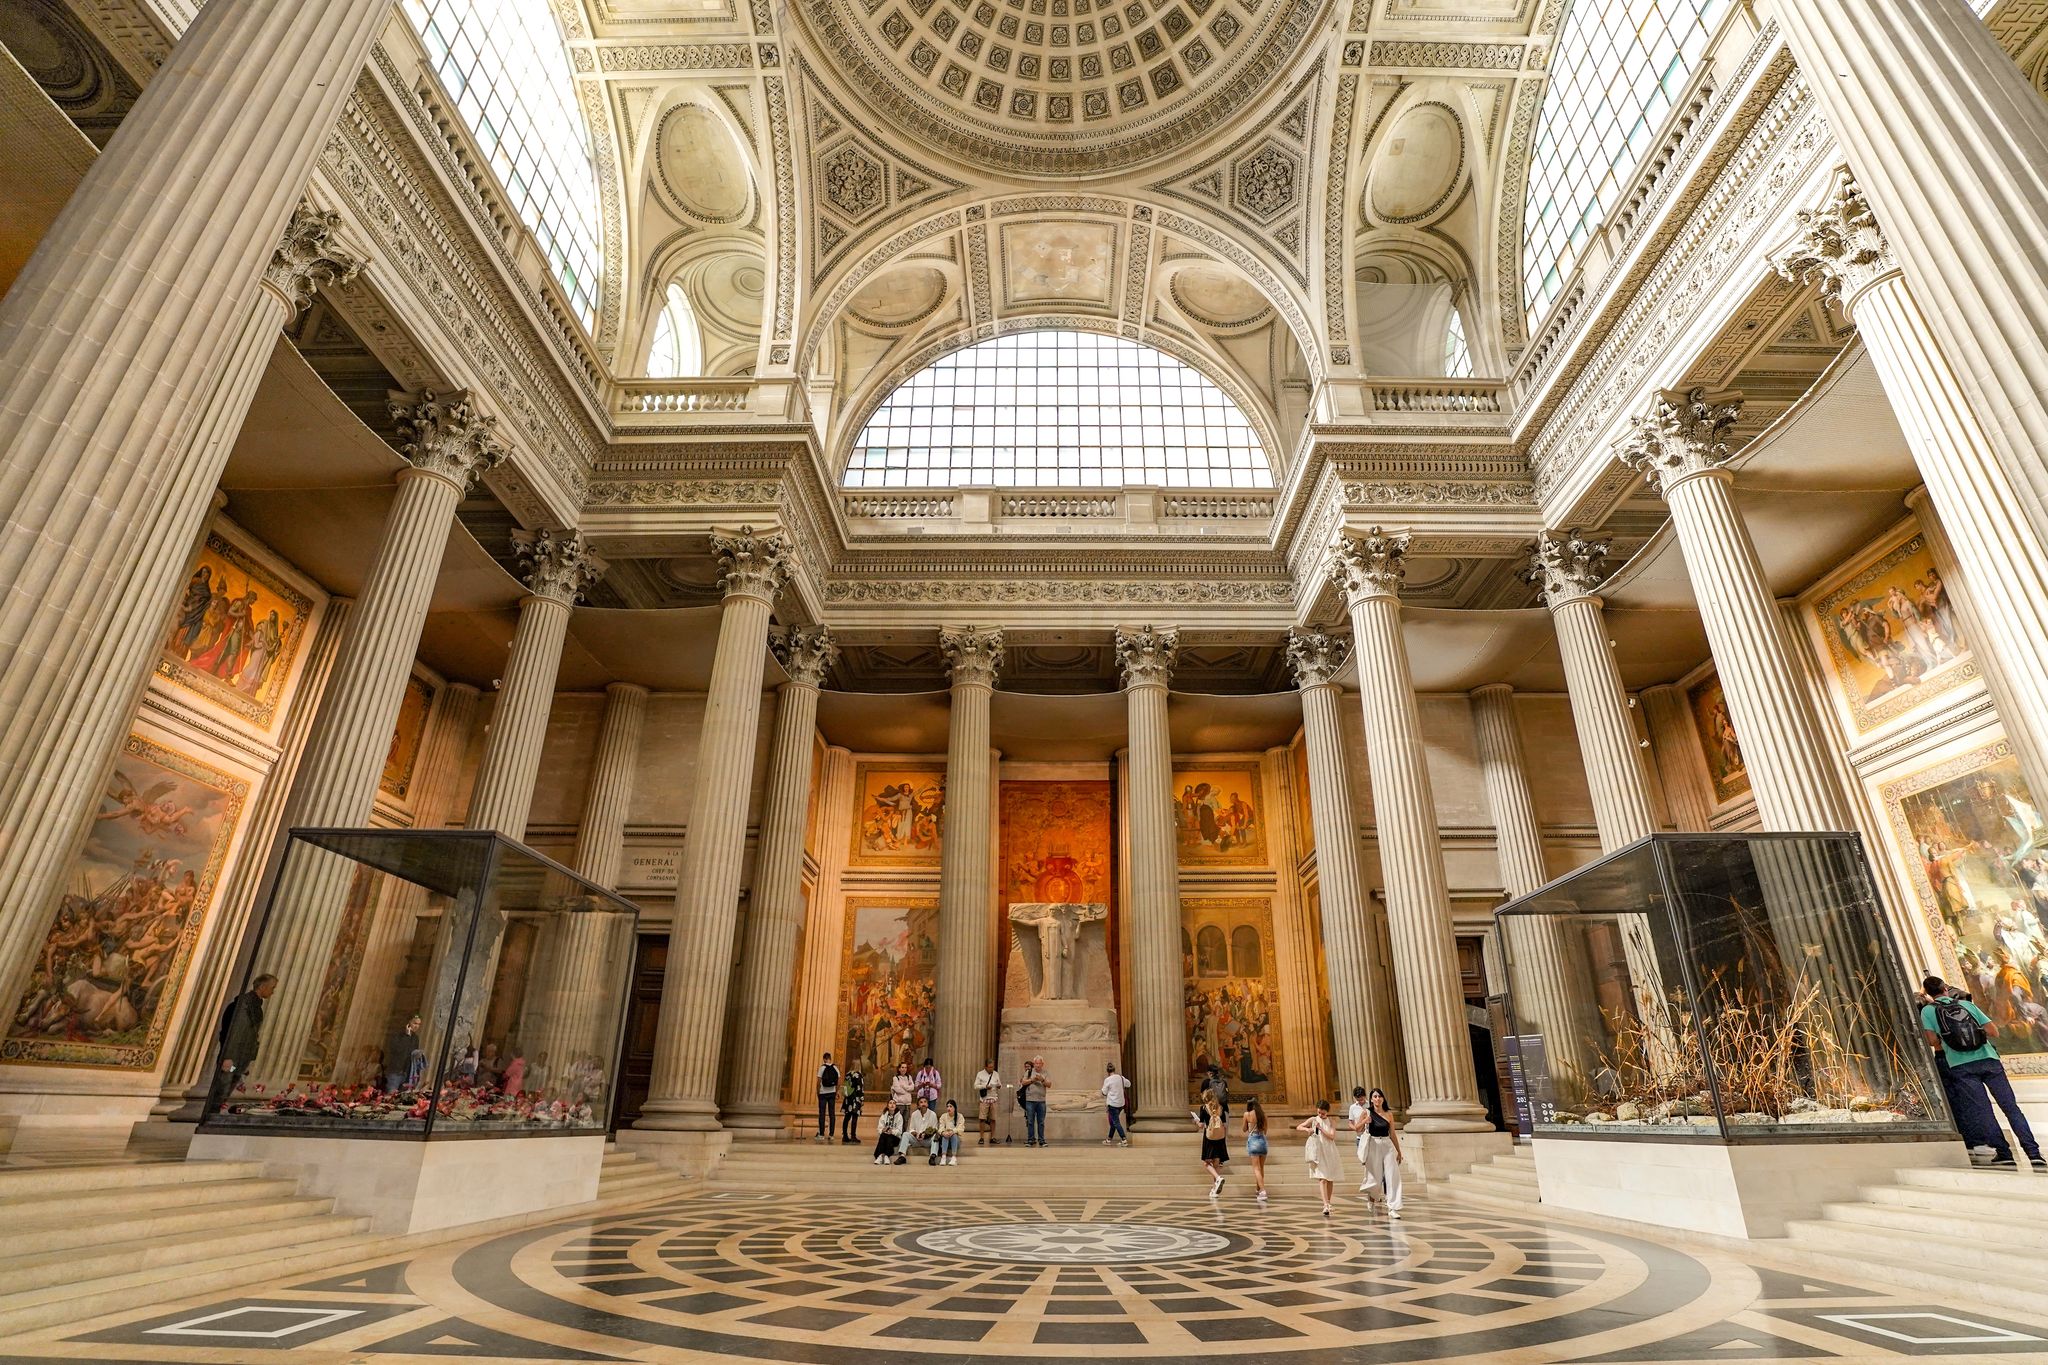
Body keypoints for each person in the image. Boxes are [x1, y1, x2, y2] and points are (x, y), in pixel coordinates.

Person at [1921, 974, 2046, 1171]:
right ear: (1946, 988)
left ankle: (2004, 1154)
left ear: (1927, 993)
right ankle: (2033, 1153)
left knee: (1984, 1111)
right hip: (1989, 1060)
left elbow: (1932, 1041)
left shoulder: (1928, 1011)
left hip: (1961, 1066)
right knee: (2011, 1108)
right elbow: (1994, 1031)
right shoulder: (1967, 1005)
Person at [207, 973, 276, 1111]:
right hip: (232, 1058)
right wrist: (228, 1057)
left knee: (232, 1081)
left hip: (241, 1057)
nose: (273, 992)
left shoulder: (255, 1006)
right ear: (262, 987)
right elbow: (236, 1032)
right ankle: (211, 1112)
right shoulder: (245, 1004)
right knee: (224, 1083)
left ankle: (215, 1111)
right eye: (272, 988)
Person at [1360, 1087, 1405, 1219]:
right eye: (1375, 1096)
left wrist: (1398, 1150)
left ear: (1383, 1098)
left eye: (1379, 1096)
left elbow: (1393, 1134)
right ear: (1371, 1099)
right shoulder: (1366, 1113)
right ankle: (1372, 1197)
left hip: (1387, 1145)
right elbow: (1357, 1128)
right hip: (1373, 1144)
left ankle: (1393, 1207)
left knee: (1392, 1176)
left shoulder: (1389, 1114)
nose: (1377, 1099)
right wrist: (1364, 1121)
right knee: (1375, 1175)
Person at [1298, 1100, 1343, 1217]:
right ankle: (1325, 1204)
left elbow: (1332, 1136)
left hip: (1329, 1150)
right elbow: (1299, 1126)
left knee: (1329, 1178)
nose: (1321, 1115)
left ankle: (1329, 1202)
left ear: (1327, 1112)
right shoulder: (1313, 1119)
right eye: (1319, 1112)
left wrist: (1321, 1129)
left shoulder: (1331, 1121)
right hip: (1318, 1151)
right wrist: (1307, 1129)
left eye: (1323, 1113)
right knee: (1322, 1178)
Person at [1193, 1095, 1229, 1196]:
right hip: (1220, 1137)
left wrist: (1196, 1121)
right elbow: (1225, 1124)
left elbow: (1201, 1125)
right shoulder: (1221, 1107)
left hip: (1209, 1138)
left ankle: (1218, 1178)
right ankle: (1215, 1189)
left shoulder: (1204, 1108)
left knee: (1207, 1163)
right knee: (1216, 1163)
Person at [384, 1014, 424, 1093]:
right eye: (415, 1023)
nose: (417, 1026)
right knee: (390, 1095)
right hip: (396, 1072)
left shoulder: (415, 1038)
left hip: (407, 1073)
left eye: (419, 1024)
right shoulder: (398, 1035)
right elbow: (398, 1050)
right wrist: (407, 1036)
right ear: (408, 1023)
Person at [1242, 1098, 1270, 1203]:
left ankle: (1263, 1191)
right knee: (1261, 1168)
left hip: (1253, 1140)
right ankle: (1258, 1189)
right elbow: (1266, 1131)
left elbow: (1244, 1129)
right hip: (1262, 1140)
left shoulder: (1247, 1114)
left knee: (1256, 1169)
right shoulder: (1264, 1115)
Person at [1346, 1085, 1372, 1189]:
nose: (1360, 1101)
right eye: (1358, 1099)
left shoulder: (1370, 1105)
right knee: (1365, 1163)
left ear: (1364, 1096)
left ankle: (1373, 1187)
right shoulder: (1353, 1107)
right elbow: (1350, 1123)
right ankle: (1370, 1185)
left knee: (1373, 1163)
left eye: (1361, 1098)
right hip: (1360, 1138)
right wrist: (1356, 1128)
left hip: (1371, 1136)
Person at [1019, 1057, 1050, 1146]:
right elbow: (1023, 1082)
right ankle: (1031, 1140)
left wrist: (1042, 1080)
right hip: (1030, 1100)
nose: (1037, 1065)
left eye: (1039, 1063)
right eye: (1036, 1063)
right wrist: (1032, 1080)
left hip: (1041, 1101)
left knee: (1041, 1122)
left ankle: (1041, 1140)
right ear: (1034, 1063)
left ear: (1042, 1064)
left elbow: (1049, 1084)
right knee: (1030, 1121)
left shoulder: (1045, 1072)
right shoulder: (1028, 1072)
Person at [1101, 1061, 1131, 1146]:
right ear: (1114, 1070)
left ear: (1108, 1071)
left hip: (1112, 1104)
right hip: (1121, 1104)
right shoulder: (1121, 1078)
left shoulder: (1107, 1080)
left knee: (1116, 1122)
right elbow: (1129, 1084)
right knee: (1114, 1122)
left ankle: (1124, 1139)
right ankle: (1109, 1139)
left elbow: (1104, 1092)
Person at [905, 1095, 939, 1164]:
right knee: (905, 1134)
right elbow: (911, 1129)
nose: (923, 1104)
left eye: (925, 1102)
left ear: (927, 1104)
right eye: (921, 1102)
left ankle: (932, 1156)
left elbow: (935, 1129)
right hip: (916, 1140)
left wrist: (925, 1135)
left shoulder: (933, 1114)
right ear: (918, 1106)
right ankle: (902, 1156)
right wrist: (916, 1134)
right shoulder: (914, 1114)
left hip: (927, 1140)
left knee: (936, 1136)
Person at [974, 1058, 1001, 1145]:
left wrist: (999, 1086)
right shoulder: (980, 1074)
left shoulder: (996, 1074)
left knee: (993, 1119)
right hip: (984, 1099)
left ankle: (992, 1137)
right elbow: (975, 1086)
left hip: (994, 1098)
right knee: (982, 1118)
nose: (991, 1069)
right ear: (985, 1067)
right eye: (989, 1067)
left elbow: (999, 1084)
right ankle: (981, 1137)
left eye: (992, 1067)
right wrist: (985, 1086)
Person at [816, 1051, 840, 1142]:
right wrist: (836, 1091)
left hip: (823, 1093)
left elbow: (818, 1082)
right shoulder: (835, 1068)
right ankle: (831, 1134)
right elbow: (838, 1082)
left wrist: (817, 1092)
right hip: (832, 1093)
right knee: (832, 1114)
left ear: (824, 1059)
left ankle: (821, 1134)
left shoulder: (822, 1068)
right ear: (830, 1058)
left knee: (822, 1113)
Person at [872, 1100, 905, 1165]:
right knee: (884, 1135)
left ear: (895, 1106)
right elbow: (879, 1128)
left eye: (894, 1103)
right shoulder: (883, 1116)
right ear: (887, 1106)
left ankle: (880, 1155)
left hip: (895, 1138)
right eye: (890, 1103)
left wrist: (892, 1132)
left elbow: (899, 1131)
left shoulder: (899, 1116)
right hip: (885, 1136)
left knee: (887, 1136)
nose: (892, 1105)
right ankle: (884, 1156)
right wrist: (883, 1130)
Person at [841, 1063, 865, 1143]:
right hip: (856, 1099)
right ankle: (853, 1136)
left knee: (847, 1117)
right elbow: (860, 1088)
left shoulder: (848, 1074)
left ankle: (845, 1135)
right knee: (854, 1117)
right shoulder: (858, 1075)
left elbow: (845, 1087)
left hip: (848, 1099)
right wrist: (862, 1100)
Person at [936, 1099, 965, 1166]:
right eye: (947, 1106)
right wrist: (943, 1132)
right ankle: (943, 1157)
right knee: (945, 1136)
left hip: (955, 1140)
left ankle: (954, 1158)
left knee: (954, 1135)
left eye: (951, 1106)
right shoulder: (943, 1116)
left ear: (955, 1108)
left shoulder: (960, 1116)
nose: (948, 1108)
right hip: (946, 1139)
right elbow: (941, 1127)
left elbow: (960, 1129)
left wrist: (952, 1132)